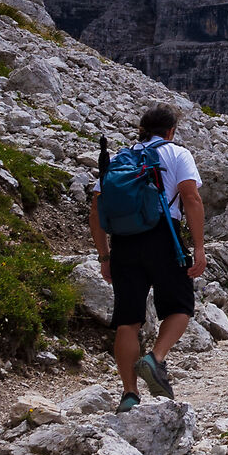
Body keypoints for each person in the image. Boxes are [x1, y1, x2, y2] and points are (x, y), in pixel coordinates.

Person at [88, 103, 207, 410]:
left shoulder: (120, 158)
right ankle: (155, 358)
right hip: (163, 236)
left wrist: (104, 256)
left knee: (127, 320)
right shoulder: (177, 153)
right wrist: (199, 246)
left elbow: (96, 210)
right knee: (180, 306)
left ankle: (129, 393)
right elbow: (191, 198)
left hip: (124, 243)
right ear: (170, 131)